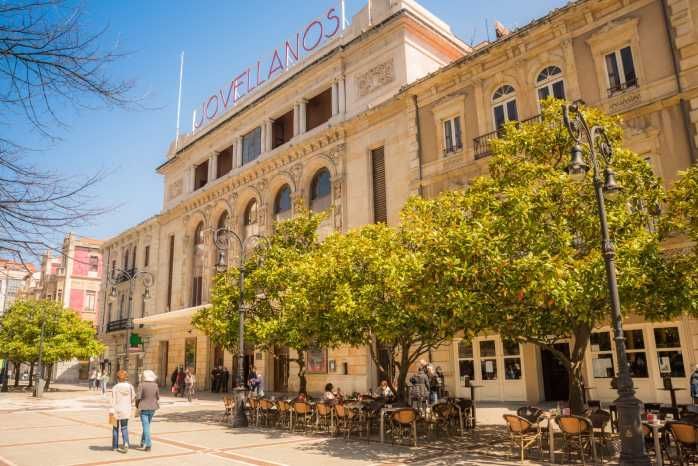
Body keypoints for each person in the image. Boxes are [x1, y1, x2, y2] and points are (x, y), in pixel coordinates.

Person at [110, 369, 135, 452]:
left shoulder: (115, 387)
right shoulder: (130, 387)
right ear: (126, 377)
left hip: (116, 410)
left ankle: (115, 446)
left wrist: (111, 411)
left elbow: (113, 400)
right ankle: (126, 443)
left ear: (117, 377)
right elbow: (133, 398)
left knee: (115, 428)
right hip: (126, 410)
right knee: (124, 427)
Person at [136, 370, 160, 452]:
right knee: (147, 426)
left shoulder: (141, 385)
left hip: (144, 407)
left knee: (146, 426)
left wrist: (137, 406)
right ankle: (143, 441)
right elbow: (157, 397)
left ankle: (148, 445)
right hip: (153, 408)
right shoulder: (155, 385)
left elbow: (138, 397)